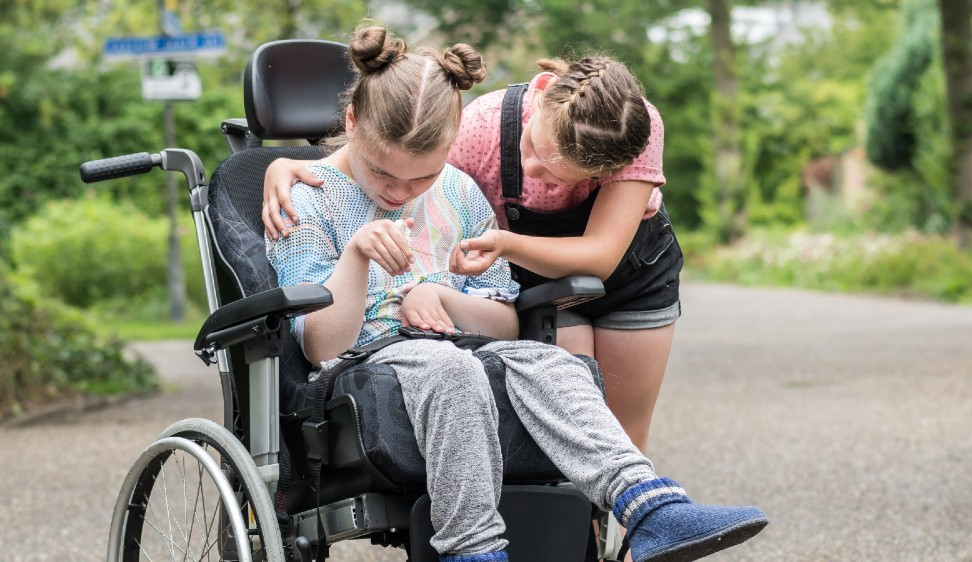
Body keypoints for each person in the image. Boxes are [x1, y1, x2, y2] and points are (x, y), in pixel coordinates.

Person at [266, 24, 766, 562]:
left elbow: (504, 324)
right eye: (383, 171)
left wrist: (448, 302)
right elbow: (320, 346)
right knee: (451, 371)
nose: (398, 192)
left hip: (462, 343)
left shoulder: (457, 190)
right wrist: (357, 255)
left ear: (449, 147)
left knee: (550, 364)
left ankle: (651, 510)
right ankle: (473, 550)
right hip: (369, 360)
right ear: (350, 123)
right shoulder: (307, 201)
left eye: (421, 178)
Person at [263, 46, 680, 452]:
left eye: (559, 176)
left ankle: (647, 511)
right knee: (563, 429)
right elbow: (395, 153)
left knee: (619, 429)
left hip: (627, 271)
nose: (533, 171)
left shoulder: (631, 125)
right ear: (541, 93)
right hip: (530, 284)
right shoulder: (479, 129)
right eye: (533, 151)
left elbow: (600, 258)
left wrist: (497, 249)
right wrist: (282, 166)